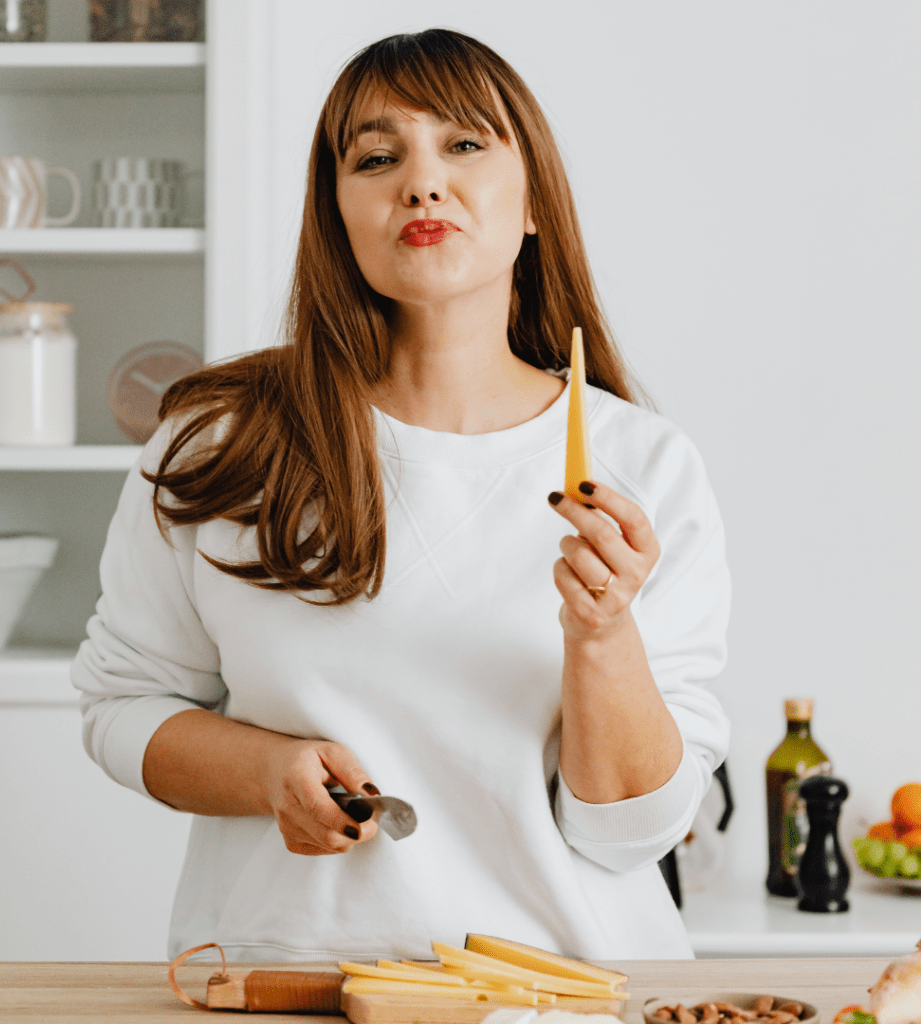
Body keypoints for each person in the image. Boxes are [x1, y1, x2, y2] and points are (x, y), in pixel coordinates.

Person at [71, 28, 730, 962]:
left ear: (534, 198)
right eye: (378, 158)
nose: (422, 183)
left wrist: (604, 635)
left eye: (463, 145)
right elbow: (119, 708)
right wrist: (265, 773)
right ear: (336, 212)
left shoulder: (645, 466)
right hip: (290, 986)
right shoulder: (219, 442)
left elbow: (626, 837)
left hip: (568, 996)